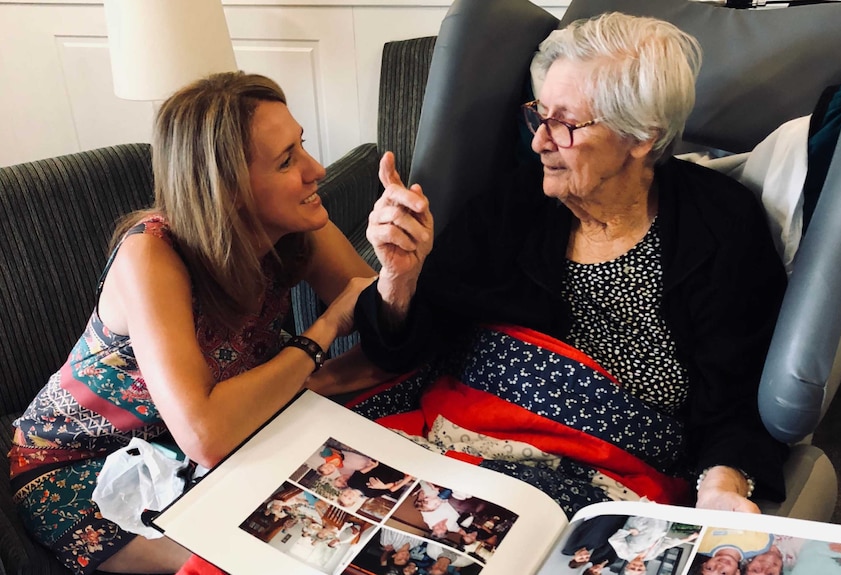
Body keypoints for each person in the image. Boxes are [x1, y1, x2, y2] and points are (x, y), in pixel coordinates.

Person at [352, 11, 788, 515]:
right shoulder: (512, 205)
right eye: (539, 115)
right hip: (458, 431)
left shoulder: (721, 227)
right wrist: (400, 281)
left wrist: (722, 484)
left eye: (565, 124)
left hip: (608, 472)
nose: (539, 141)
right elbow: (411, 346)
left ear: (643, 136)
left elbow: (741, 398)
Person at [8, 71, 382, 574]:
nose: (316, 169)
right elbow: (207, 434)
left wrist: (402, 267)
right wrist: (326, 330)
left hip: (205, 438)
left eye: (302, 145)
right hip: (80, 466)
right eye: (287, 160)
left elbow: (383, 324)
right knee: (285, 557)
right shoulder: (151, 256)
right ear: (227, 189)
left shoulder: (296, 223)